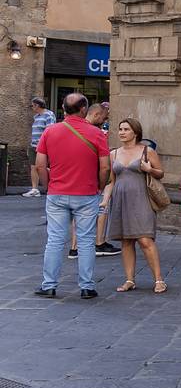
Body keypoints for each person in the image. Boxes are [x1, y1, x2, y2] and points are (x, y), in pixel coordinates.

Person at [33, 93, 110, 299]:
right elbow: (105, 167)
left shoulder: (50, 131)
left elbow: (40, 164)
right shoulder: (96, 134)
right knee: (85, 241)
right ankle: (87, 286)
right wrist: (99, 187)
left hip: (57, 192)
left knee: (55, 240)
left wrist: (48, 185)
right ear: (84, 109)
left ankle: (49, 284)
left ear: (63, 108)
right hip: (86, 193)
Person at [104, 119, 167, 293]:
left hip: (141, 199)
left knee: (145, 239)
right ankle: (129, 279)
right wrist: (105, 199)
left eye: (126, 129)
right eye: (120, 129)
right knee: (126, 241)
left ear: (135, 132)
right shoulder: (114, 154)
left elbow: (161, 173)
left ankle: (159, 279)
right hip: (120, 199)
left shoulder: (148, 151)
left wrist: (150, 170)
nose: (122, 132)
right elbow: (112, 180)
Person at [70, 102, 121, 258]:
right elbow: (104, 164)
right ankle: (98, 243)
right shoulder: (95, 132)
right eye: (104, 118)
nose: (105, 121)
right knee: (102, 201)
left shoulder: (73, 128)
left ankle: (75, 247)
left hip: (75, 175)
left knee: (78, 212)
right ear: (96, 115)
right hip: (92, 174)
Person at [24, 97, 55, 197]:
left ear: (37, 105)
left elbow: (50, 131)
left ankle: (52, 187)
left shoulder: (49, 115)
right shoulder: (36, 116)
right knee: (33, 167)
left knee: (43, 167)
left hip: (43, 146)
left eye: (32, 105)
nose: (31, 107)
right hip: (34, 145)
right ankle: (34, 189)